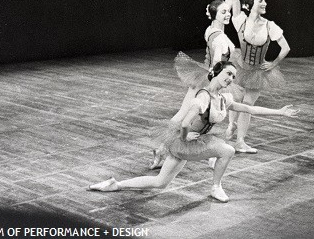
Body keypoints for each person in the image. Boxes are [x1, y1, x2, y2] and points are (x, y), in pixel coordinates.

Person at [89, 61, 299, 203]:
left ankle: (114, 185)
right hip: (186, 142)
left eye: (234, 76)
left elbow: (249, 109)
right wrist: (184, 136)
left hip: (192, 142)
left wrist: (280, 112)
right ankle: (216, 187)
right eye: (228, 73)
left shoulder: (224, 98)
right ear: (216, 73)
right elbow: (185, 122)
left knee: (160, 183)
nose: (231, 78)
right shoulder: (204, 97)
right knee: (227, 150)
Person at [149, 0, 253, 169]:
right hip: (208, 79)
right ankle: (162, 148)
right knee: (187, 115)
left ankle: (163, 149)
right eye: (223, 12)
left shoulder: (211, 29)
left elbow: (224, 2)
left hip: (203, 75)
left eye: (227, 11)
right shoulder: (221, 39)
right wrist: (213, 89)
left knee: (186, 114)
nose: (227, 13)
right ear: (215, 15)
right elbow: (217, 67)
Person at [226, 0, 291, 154]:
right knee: (236, 99)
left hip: (258, 71)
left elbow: (285, 47)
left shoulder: (270, 25)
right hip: (240, 64)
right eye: (261, 0)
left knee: (248, 104)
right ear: (251, 4)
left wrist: (273, 65)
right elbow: (234, 0)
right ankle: (231, 124)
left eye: (264, 0)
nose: (265, 3)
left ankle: (240, 141)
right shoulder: (240, 21)